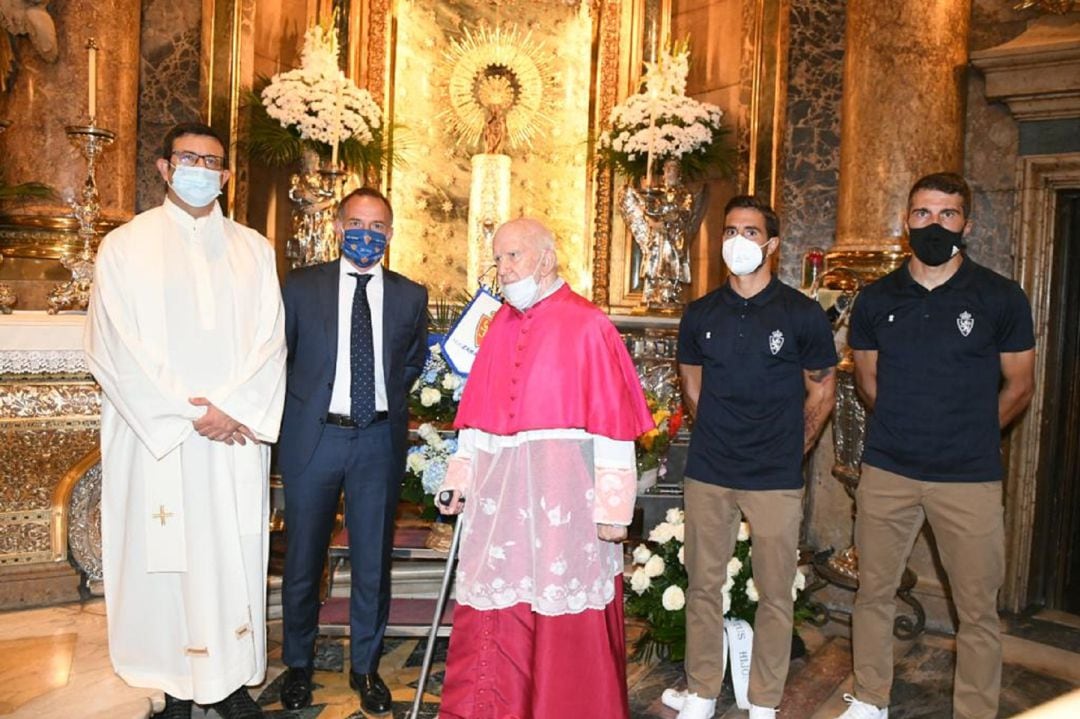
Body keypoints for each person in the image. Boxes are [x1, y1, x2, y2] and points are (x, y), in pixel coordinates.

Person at [84, 122, 287, 719]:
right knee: (165, 555)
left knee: (228, 554)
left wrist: (234, 410)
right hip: (160, 440)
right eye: (188, 158)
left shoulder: (254, 247)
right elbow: (111, 344)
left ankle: (227, 683)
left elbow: (270, 340)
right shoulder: (124, 246)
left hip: (234, 438)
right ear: (164, 167)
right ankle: (175, 682)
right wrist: (187, 414)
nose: (202, 169)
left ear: (226, 175)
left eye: (214, 161)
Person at [436, 217, 654, 718]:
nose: (503, 269)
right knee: (500, 610)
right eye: (498, 259)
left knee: (561, 613)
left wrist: (615, 510)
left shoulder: (589, 325)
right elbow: (476, 425)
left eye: (513, 256)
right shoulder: (499, 326)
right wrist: (459, 479)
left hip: (566, 511)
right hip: (504, 510)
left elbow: (613, 429)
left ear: (546, 258)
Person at [836, 173, 1036, 719]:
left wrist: (971, 434)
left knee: (976, 609)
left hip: (968, 476)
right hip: (889, 469)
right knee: (873, 592)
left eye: (947, 214)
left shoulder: (1000, 296)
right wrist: (907, 426)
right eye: (923, 213)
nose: (934, 224)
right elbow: (868, 381)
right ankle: (870, 698)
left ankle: (974, 711)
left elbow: (1020, 383)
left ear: (966, 225)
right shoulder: (876, 299)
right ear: (906, 221)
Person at [664, 195, 838, 719]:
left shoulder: (803, 315)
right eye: (731, 230)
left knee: (776, 593)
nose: (739, 241)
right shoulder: (701, 313)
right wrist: (717, 429)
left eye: (751, 232)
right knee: (702, 586)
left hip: (774, 476)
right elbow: (691, 383)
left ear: (773, 245)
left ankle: (764, 701)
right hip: (711, 470)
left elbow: (822, 392)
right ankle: (699, 693)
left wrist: (792, 447)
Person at [277, 187, 428, 714]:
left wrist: (379, 405)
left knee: (371, 562)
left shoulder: (410, 294)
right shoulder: (300, 286)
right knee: (303, 558)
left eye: (379, 225)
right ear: (339, 227)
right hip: (313, 438)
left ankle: (365, 667)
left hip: (376, 442)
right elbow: (283, 356)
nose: (368, 233)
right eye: (357, 223)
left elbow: (411, 364)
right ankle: (298, 664)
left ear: (391, 232)